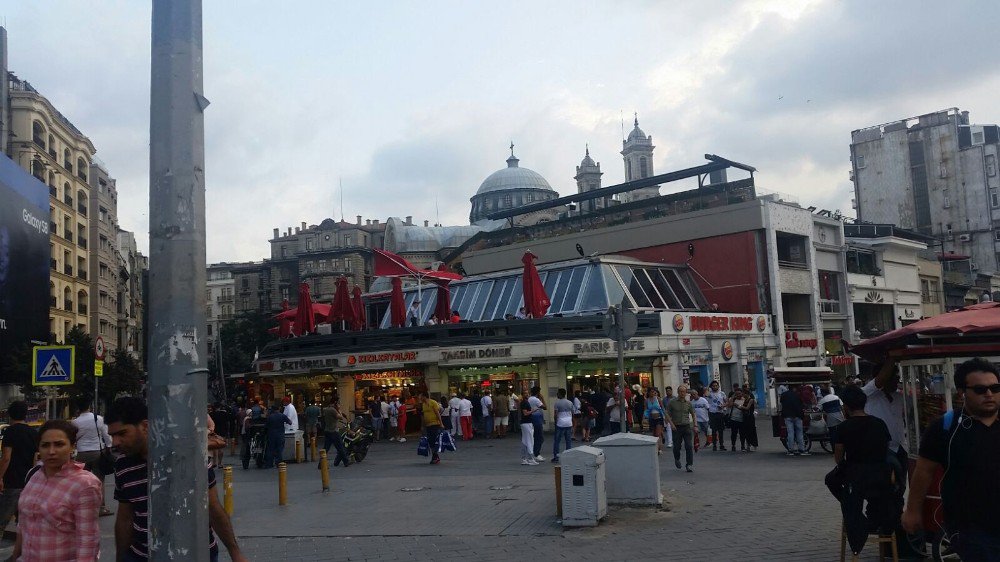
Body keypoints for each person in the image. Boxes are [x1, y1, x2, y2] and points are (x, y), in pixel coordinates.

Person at [107, 397, 247, 562]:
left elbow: (213, 508)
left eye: (122, 433)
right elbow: (125, 517)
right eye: (112, 435)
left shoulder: (190, 457)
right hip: (142, 555)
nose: (115, 442)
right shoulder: (123, 465)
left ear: (145, 426)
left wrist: (235, 553)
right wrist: (120, 558)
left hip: (195, 554)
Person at [903, 357, 1000, 560]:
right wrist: (912, 510)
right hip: (970, 527)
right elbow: (923, 471)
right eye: (980, 390)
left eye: (995, 388)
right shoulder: (945, 428)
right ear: (962, 392)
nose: (990, 394)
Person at [10, 419, 102, 561]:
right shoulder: (34, 475)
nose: (51, 451)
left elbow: (88, 540)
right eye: (45, 445)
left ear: (72, 446)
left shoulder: (85, 484)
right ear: (38, 448)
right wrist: (15, 556)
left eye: (59, 444)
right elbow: (23, 524)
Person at [826, 385, 896, 556]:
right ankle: (871, 519)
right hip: (882, 477)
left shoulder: (843, 428)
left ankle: (858, 522)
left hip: (856, 479)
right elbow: (885, 448)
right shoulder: (879, 424)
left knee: (831, 480)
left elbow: (838, 457)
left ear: (846, 408)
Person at [862, 361, 907, 490]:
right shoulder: (868, 394)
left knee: (901, 486)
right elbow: (879, 380)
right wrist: (891, 358)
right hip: (882, 450)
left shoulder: (899, 397)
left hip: (900, 448)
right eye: (894, 378)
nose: (896, 382)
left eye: (898, 378)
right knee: (884, 488)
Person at [71, 398, 114, 517]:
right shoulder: (98, 419)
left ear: (78, 408)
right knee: (99, 481)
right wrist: (109, 447)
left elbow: (73, 438)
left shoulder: (75, 422)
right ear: (89, 406)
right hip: (97, 453)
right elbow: (106, 435)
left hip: (81, 454)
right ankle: (101, 508)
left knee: (81, 482)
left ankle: (82, 507)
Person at [0, 401, 38, 531]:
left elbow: (6, 458)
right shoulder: (33, 433)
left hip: (11, 482)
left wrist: (0, 477)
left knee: (2, 520)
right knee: (24, 522)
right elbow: (35, 458)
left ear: (10, 415)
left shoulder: (10, 432)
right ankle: (22, 549)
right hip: (27, 482)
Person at [667, 384, 697, 472]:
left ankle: (689, 464)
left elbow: (693, 414)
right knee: (676, 446)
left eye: (684, 392)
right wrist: (671, 424)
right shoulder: (672, 402)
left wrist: (695, 425)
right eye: (680, 391)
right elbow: (667, 414)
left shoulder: (688, 403)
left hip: (686, 426)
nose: (682, 393)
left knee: (689, 446)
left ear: (686, 393)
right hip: (676, 427)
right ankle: (677, 458)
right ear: (677, 392)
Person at [320, 399, 350, 467]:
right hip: (333, 431)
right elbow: (340, 417)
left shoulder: (325, 409)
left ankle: (320, 464)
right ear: (334, 403)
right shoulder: (333, 410)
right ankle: (346, 461)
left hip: (327, 430)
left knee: (326, 448)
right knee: (340, 447)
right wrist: (339, 409)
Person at [780, 383, 808, 456]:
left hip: (787, 416)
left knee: (790, 433)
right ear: (794, 388)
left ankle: (790, 450)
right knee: (799, 433)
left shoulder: (784, 395)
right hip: (797, 416)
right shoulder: (797, 395)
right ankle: (801, 450)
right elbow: (801, 405)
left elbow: (781, 403)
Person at [418, 392, 444, 465]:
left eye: (421, 397)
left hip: (435, 424)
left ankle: (435, 456)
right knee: (430, 441)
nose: (420, 398)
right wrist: (422, 426)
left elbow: (438, 412)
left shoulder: (433, 402)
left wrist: (441, 423)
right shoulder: (423, 404)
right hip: (428, 425)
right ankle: (435, 456)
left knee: (433, 440)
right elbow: (423, 416)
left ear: (424, 396)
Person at [264, 404, 292, 468]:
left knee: (270, 449)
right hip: (280, 435)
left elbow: (266, 426)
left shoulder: (270, 417)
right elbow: (290, 422)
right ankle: (279, 463)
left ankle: (269, 464)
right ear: (278, 409)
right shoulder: (282, 416)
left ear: (273, 410)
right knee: (279, 449)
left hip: (271, 435)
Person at [551, 389, 574, 462]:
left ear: (560, 394)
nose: (557, 395)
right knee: (568, 440)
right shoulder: (570, 403)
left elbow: (555, 415)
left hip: (560, 423)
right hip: (569, 423)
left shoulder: (557, 403)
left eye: (558, 393)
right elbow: (572, 413)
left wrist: (555, 422)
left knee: (557, 440)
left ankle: (556, 456)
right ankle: (568, 456)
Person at [643, 388, 667, 455]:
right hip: (651, 418)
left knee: (658, 434)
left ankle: (659, 449)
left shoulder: (658, 399)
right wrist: (644, 418)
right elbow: (645, 410)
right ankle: (655, 447)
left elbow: (662, 408)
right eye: (651, 392)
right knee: (653, 434)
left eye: (653, 392)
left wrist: (665, 417)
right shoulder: (646, 401)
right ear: (649, 393)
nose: (652, 393)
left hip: (659, 418)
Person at [707, 381, 727, 451]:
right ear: (711, 386)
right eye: (713, 386)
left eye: (716, 385)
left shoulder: (722, 393)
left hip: (720, 413)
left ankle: (721, 445)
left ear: (718, 386)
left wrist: (723, 406)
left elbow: (726, 402)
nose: (715, 387)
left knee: (721, 430)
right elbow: (705, 392)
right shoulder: (709, 394)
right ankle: (714, 445)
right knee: (714, 430)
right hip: (712, 413)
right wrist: (708, 387)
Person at [519, 391, 537, 465]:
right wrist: (533, 410)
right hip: (527, 423)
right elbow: (525, 413)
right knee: (530, 440)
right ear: (522, 395)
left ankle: (524, 458)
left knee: (525, 441)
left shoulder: (524, 402)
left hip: (525, 423)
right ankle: (530, 458)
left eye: (528, 393)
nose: (527, 394)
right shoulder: (524, 403)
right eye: (525, 393)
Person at [528, 386, 546, 460]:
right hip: (537, 419)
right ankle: (537, 453)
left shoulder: (529, 399)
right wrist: (542, 398)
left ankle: (533, 452)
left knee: (534, 436)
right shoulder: (536, 400)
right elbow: (545, 407)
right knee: (540, 437)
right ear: (538, 392)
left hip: (532, 418)